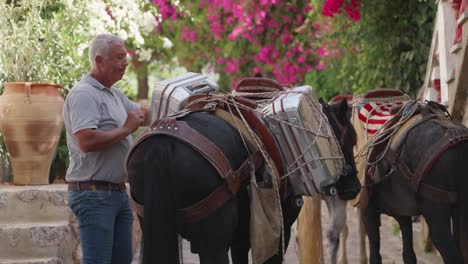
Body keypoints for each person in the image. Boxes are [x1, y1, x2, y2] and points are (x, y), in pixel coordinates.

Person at [64, 33, 150, 264]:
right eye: (119, 57)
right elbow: (86, 141)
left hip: (117, 193)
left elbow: (144, 116)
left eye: (126, 57)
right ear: (99, 60)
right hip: (93, 194)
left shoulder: (114, 93)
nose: (125, 62)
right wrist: (126, 129)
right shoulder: (84, 94)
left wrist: (181, 106)